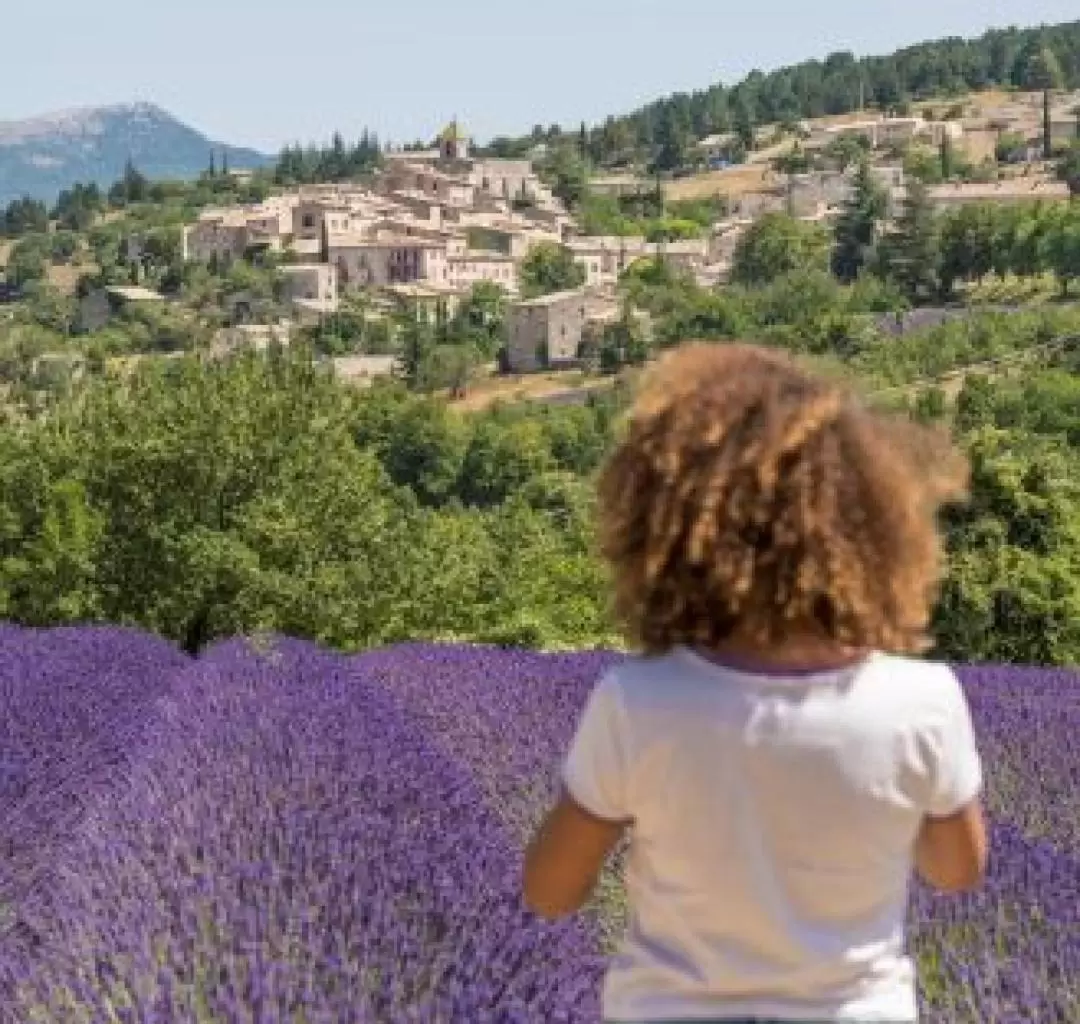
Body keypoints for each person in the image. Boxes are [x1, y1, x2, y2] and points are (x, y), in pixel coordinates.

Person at [523, 343, 987, 1024]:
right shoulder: (921, 702)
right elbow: (956, 871)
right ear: (867, 527)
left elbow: (551, 891)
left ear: (675, 533)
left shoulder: (640, 703)